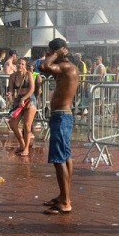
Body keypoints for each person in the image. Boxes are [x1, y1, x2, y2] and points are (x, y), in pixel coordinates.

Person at [39, 38, 79, 215]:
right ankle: (64, 196)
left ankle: (65, 201)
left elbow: (42, 67)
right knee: (65, 156)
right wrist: (53, 55)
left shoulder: (67, 66)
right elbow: (48, 69)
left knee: (59, 159)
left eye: (50, 51)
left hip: (61, 117)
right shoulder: (65, 68)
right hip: (62, 117)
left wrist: (54, 55)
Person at [8, 58, 37, 156]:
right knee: (13, 124)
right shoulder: (12, 76)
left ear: (25, 66)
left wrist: (24, 98)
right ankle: (22, 144)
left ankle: (26, 148)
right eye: (19, 63)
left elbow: (32, 88)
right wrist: (9, 94)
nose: (20, 65)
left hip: (30, 100)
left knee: (27, 125)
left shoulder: (28, 75)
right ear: (15, 64)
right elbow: (11, 90)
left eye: (22, 64)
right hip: (19, 101)